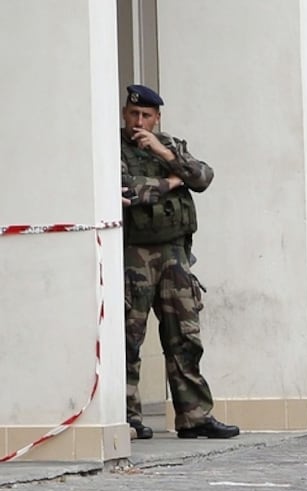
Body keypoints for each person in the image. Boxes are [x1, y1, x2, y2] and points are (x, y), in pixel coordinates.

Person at [120, 84, 240, 440]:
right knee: (129, 336)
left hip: (174, 253)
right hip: (134, 254)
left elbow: (202, 176)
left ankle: (194, 416)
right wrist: (175, 181)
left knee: (185, 336)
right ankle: (126, 417)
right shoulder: (113, 149)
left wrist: (166, 156)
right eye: (133, 114)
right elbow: (129, 189)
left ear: (157, 119)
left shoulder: (170, 146)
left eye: (146, 116)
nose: (138, 121)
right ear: (125, 114)